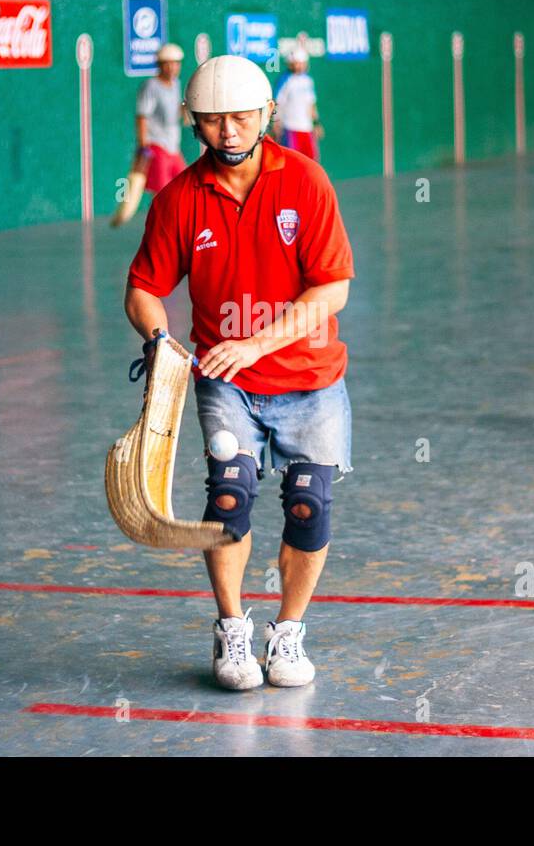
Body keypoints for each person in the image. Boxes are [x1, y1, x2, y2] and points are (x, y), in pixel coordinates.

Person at [123, 55, 355, 690]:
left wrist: (255, 343)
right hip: (226, 382)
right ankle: (231, 632)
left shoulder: (306, 183)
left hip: (309, 377)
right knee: (228, 496)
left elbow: (330, 290)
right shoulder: (178, 199)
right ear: (196, 124)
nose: (228, 131)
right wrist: (160, 339)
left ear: (267, 117)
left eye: (242, 117)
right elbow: (143, 287)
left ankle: (288, 634)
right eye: (214, 120)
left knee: (308, 507)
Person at [110, 43, 187, 227]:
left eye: (176, 64)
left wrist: (186, 111)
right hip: (156, 145)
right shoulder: (150, 86)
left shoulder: (176, 84)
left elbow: (176, 112)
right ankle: (162, 226)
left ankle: (176, 223)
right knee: (162, 191)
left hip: (172, 147)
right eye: (168, 63)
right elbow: (142, 116)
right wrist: (144, 144)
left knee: (185, 184)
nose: (172, 68)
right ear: (160, 65)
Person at [273, 48, 323, 161]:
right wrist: (276, 124)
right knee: (293, 162)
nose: (298, 66)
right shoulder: (284, 80)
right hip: (290, 128)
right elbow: (277, 103)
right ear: (290, 64)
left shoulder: (308, 80)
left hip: (307, 129)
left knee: (312, 162)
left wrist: (316, 123)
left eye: (301, 63)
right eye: (295, 63)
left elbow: (312, 104)